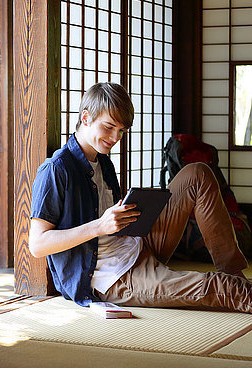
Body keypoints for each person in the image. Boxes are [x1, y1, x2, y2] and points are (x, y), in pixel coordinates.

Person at [29, 82, 252, 313]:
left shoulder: (101, 160)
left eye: (122, 131)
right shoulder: (56, 169)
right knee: (223, 288)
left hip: (138, 244)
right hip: (115, 277)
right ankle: (237, 285)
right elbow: (37, 245)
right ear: (85, 118)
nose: (115, 137)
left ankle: (234, 272)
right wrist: (100, 226)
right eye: (109, 127)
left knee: (198, 173)